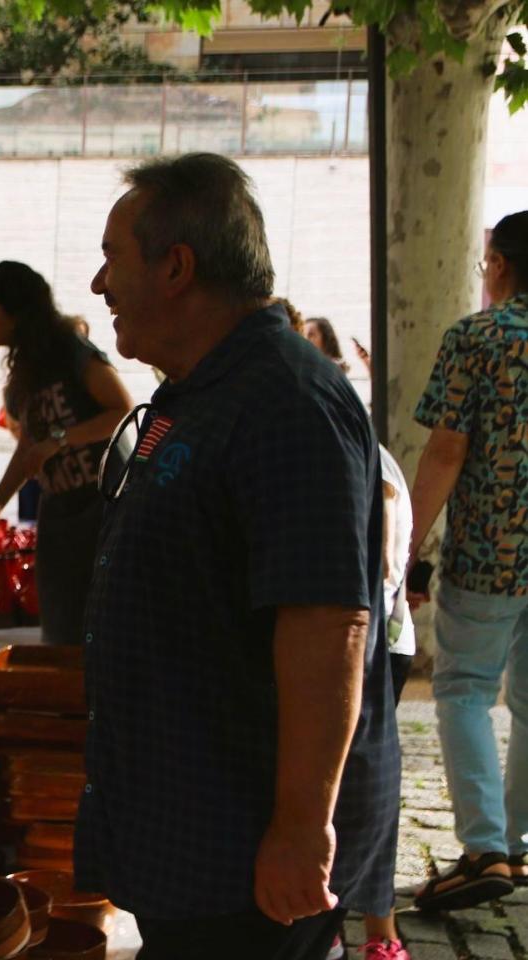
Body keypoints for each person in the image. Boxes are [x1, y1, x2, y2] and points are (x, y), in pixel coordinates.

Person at [79, 153, 396, 959]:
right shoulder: (200, 392)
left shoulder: (287, 402)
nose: (98, 284)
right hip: (195, 822)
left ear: (176, 267)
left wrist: (300, 830)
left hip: (245, 841)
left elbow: (329, 626)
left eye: (113, 258)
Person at [405, 210, 528, 914]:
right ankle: (515, 842)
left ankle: (485, 849)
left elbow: (446, 451)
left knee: (464, 689)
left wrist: (410, 547)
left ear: (502, 264)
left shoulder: (478, 338)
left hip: (491, 550)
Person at [285, 297, 415, 960]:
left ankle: (374, 930)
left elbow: (378, 576)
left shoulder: (351, 450)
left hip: (376, 642)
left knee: (360, 787)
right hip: (366, 633)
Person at [0, 261, 132, 646]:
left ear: (18, 311)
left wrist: (59, 439)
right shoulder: (26, 369)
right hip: (60, 511)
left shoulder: (71, 350)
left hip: (103, 508)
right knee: (60, 628)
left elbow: (121, 409)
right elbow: (29, 446)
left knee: (102, 627)